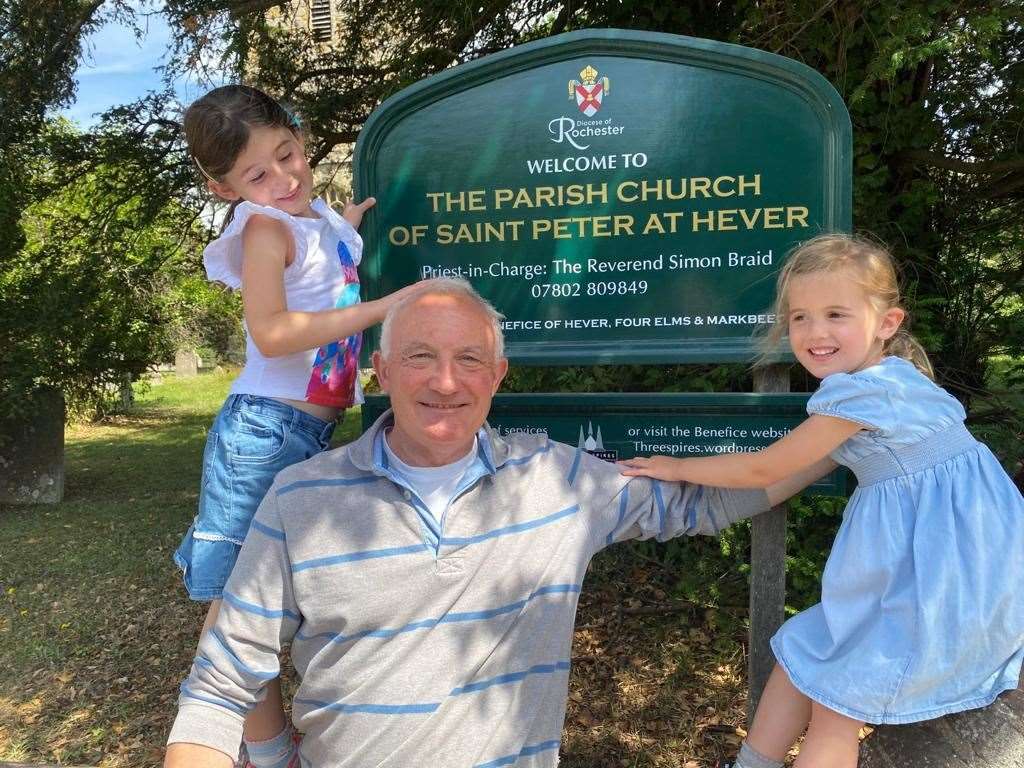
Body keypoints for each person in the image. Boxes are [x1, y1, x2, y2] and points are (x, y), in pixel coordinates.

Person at [164, 277, 831, 768]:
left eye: (470, 360)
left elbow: (705, 501)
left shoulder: (558, 481)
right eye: (421, 356)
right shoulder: (299, 499)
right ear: (383, 371)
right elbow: (222, 684)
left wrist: (843, 435)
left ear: (498, 374)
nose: (446, 381)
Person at [622, 234, 1024, 768]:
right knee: (804, 653)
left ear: (887, 322)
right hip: (971, 578)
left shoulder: (859, 393)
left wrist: (674, 467)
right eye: (800, 318)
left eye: (836, 314)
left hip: (934, 592)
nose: (815, 333)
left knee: (835, 701)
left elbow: (767, 467)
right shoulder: (900, 381)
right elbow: (800, 471)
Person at [172, 84, 416, 767]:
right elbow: (275, 332)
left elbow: (325, 261)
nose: (283, 178)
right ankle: (251, 753)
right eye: (258, 175)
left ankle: (272, 754)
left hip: (304, 434)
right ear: (225, 190)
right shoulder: (263, 228)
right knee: (234, 615)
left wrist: (348, 220)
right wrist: (385, 307)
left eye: (289, 154)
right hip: (261, 434)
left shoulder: (307, 216)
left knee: (270, 603)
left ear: (300, 135)